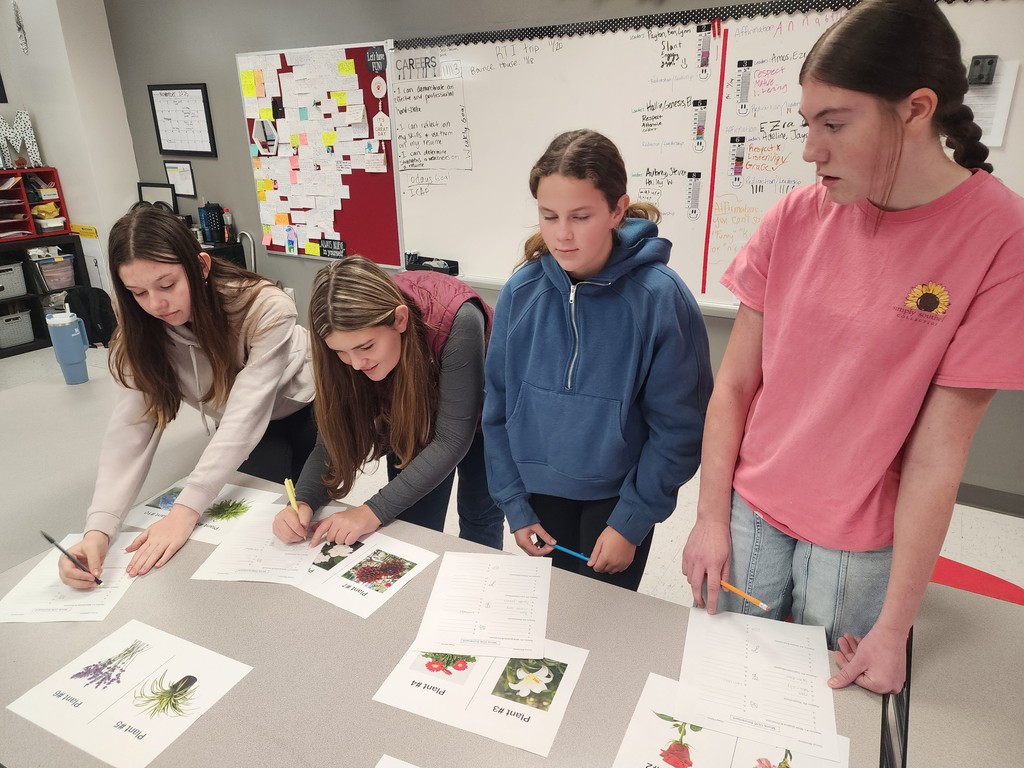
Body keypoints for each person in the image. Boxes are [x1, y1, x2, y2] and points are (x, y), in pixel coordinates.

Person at [681, 0, 1024, 694]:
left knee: (824, 702)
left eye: (834, 124)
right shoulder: (795, 216)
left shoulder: (998, 236)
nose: (812, 150)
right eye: (808, 124)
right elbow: (736, 386)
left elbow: (938, 454)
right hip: (754, 505)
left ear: (917, 109)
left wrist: (895, 627)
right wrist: (709, 516)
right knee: (730, 678)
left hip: (861, 531)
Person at [483, 129, 714, 591]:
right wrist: (513, 503)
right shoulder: (521, 292)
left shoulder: (660, 299)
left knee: (602, 625)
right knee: (547, 616)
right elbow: (498, 407)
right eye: (548, 216)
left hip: (617, 498)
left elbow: (680, 427)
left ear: (617, 210)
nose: (561, 234)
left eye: (580, 216)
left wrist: (632, 520)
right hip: (537, 494)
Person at [58, 205, 316, 588]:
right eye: (138, 292)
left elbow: (247, 411)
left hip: (303, 405)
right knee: (250, 532)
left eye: (167, 285)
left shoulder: (265, 308)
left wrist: (184, 511)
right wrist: (99, 529)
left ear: (201, 266)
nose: (156, 304)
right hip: (235, 425)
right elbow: (130, 432)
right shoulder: (141, 330)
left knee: (304, 520)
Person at [272, 255, 504, 550]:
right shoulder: (349, 352)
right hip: (410, 410)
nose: (356, 364)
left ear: (400, 319)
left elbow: (453, 438)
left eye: (366, 346)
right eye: (342, 352)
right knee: (410, 522)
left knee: (480, 513)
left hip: (483, 414)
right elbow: (334, 436)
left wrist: (371, 511)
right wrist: (303, 500)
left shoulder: (456, 318)